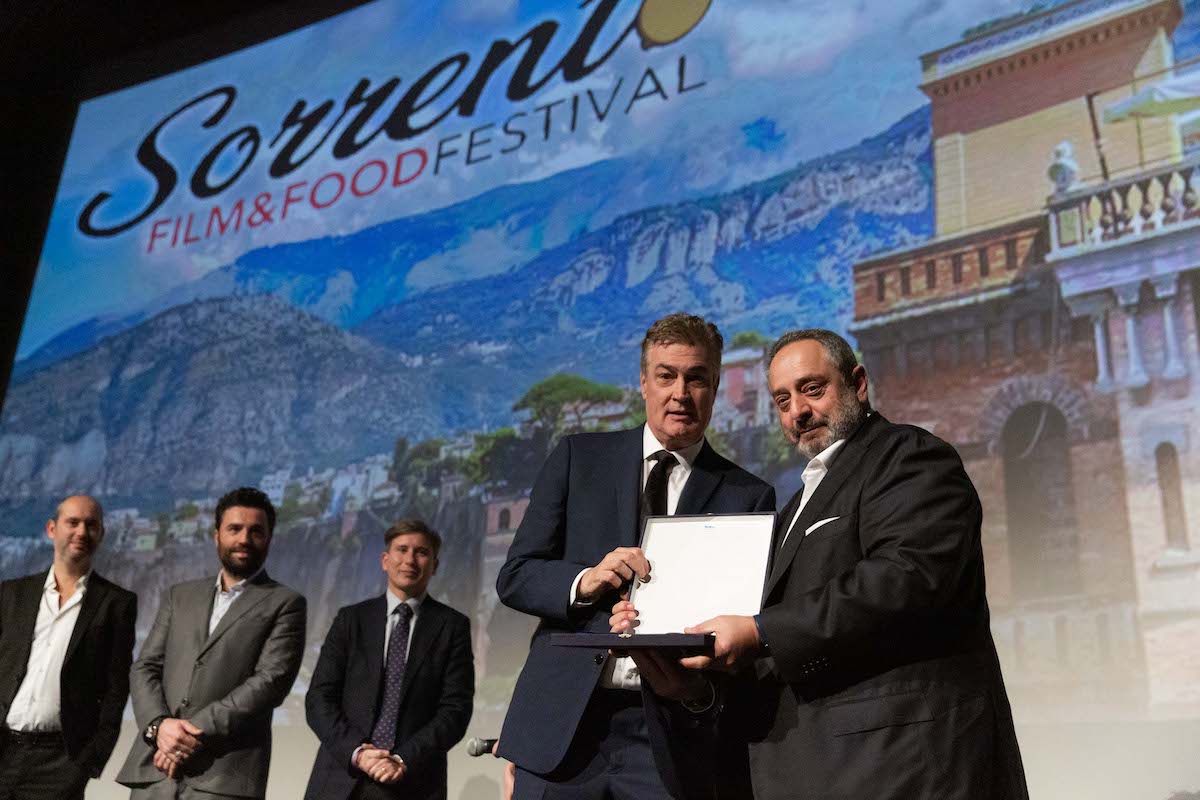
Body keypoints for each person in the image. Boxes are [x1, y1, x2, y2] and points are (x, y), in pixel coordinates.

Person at [613, 328, 1029, 799]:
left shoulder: (908, 457)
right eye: (782, 400)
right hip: (818, 770)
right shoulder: (794, 506)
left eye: (812, 389)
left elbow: (907, 578)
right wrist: (694, 684)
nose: (799, 411)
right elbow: (779, 652)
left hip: (907, 766)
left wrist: (760, 631)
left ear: (858, 383)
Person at [496, 313, 775, 799]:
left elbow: (744, 634)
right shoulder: (578, 458)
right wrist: (585, 582)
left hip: (671, 738)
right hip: (562, 731)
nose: (680, 394)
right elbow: (517, 575)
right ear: (643, 383)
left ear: (714, 388)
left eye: (697, 378)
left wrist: (698, 687)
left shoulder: (748, 496)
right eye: (666, 376)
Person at [116, 487, 306, 800]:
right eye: (235, 529)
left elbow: (271, 681)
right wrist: (159, 727)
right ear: (217, 535)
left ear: (269, 538)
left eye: (256, 531)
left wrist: (185, 734)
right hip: (155, 771)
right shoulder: (179, 595)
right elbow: (145, 667)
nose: (244, 539)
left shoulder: (286, 602)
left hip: (223, 777)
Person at [304, 518, 474, 800]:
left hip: (413, 781)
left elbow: (455, 711)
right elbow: (319, 699)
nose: (410, 560)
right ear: (385, 560)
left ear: (434, 566)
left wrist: (402, 759)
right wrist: (359, 753)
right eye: (402, 549)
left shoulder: (452, 626)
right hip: (342, 776)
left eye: (421, 552)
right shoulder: (351, 619)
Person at [0, 495, 137, 800]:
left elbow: (116, 688)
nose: (81, 532)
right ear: (52, 529)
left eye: (91, 525)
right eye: (72, 522)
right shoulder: (12, 593)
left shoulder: (116, 604)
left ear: (101, 534)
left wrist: (90, 760)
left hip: (60, 764)